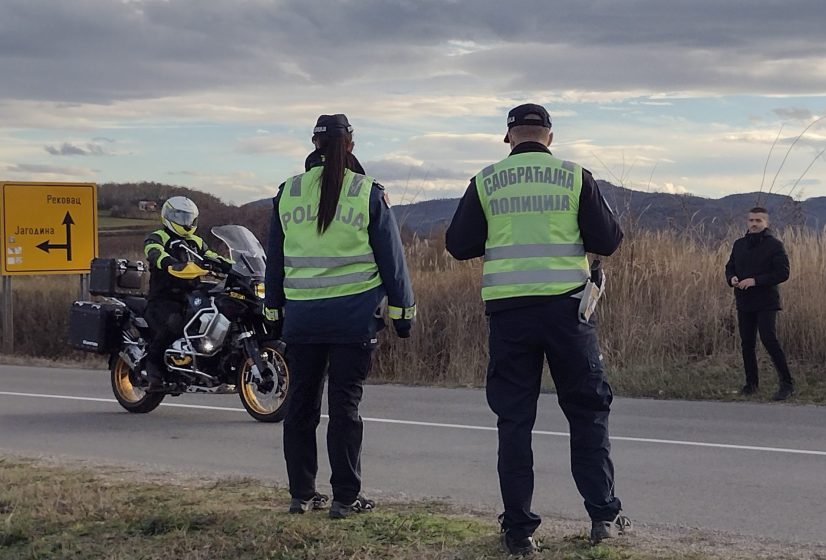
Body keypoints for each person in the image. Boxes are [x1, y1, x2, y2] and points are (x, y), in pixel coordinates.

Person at [446, 103, 629, 555]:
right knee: (587, 413)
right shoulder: (573, 176)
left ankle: (519, 530)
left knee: (515, 421)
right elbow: (607, 240)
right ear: (550, 136)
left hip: (510, 316)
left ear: (509, 137)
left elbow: (458, 245)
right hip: (568, 313)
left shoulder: (486, 180)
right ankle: (602, 516)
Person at [265, 114, 415, 518]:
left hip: (302, 321)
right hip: (353, 319)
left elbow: (274, 262)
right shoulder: (366, 192)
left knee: (300, 406)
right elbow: (393, 262)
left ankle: (301, 494)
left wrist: (273, 312)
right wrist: (403, 315)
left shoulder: (287, 193)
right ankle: (345, 499)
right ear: (350, 145)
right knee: (344, 408)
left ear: (314, 144)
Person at [143, 196, 232, 391]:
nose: (185, 222)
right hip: (164, 296)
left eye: (188, 218)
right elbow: (153, 251)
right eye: (180, 217)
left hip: (192, 295)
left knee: (215, 317)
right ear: (168, 216)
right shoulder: (159, 236)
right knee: (172, 323)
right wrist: (168, 262)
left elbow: (213, 256)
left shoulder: (196, 241)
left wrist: (234, 266)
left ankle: (202, 364)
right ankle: (153, 367)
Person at [724, 206, 794, 401]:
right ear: (747, 222)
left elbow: (783, 273)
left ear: (766, 223)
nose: (754, 224)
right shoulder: (739, 244)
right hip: (744, 301)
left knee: (769, 340)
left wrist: (755, 280)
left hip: (766, 301)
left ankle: (787, 384)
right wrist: (732, 279)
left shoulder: (775, 245)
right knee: (747, 343)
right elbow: (729, 267)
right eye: (751, 220)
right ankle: (751, 384)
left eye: (758, 221)